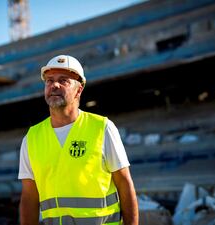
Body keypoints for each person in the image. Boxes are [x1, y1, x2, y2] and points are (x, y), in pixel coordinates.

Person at [18, 55, 139, 225]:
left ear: (79, 89)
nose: (54, 85)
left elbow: (125, 184)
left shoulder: (102, 128)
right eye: (49, 80)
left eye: (63, 80)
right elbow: (29, 197)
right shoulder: (31, 138)